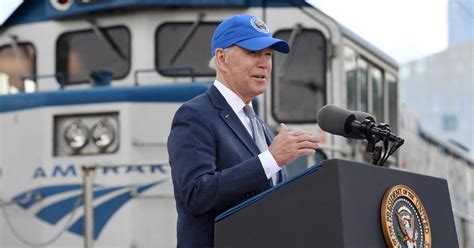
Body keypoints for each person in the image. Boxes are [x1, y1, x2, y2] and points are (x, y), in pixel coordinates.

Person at [167, 14, 320, 247]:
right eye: (252, 53)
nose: (264, 63)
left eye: (268, 54)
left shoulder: (260, 127)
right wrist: (271, 158)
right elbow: (196, 195)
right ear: (222, 59)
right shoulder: (194, 115)